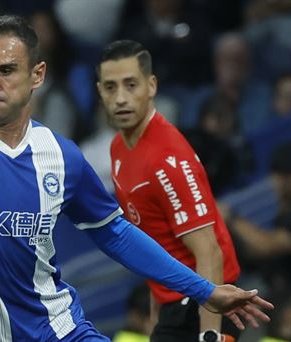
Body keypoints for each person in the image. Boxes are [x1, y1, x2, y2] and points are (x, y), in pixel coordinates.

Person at [0, 16, 273, 342]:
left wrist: (204, 291)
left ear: (38, 76)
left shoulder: (62, 154)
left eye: (6, 70)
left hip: (61, 330)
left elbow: (116, 235)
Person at [99, 40, 242, 342]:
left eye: (131, 85)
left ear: (151, 86)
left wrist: (210, 335)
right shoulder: (118, 149)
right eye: (111, 87)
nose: (121, 98)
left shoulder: (167, 159)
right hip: (172, 305)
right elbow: (154, 246)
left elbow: (209, 251)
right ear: (100, 91)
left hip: (205, 303)